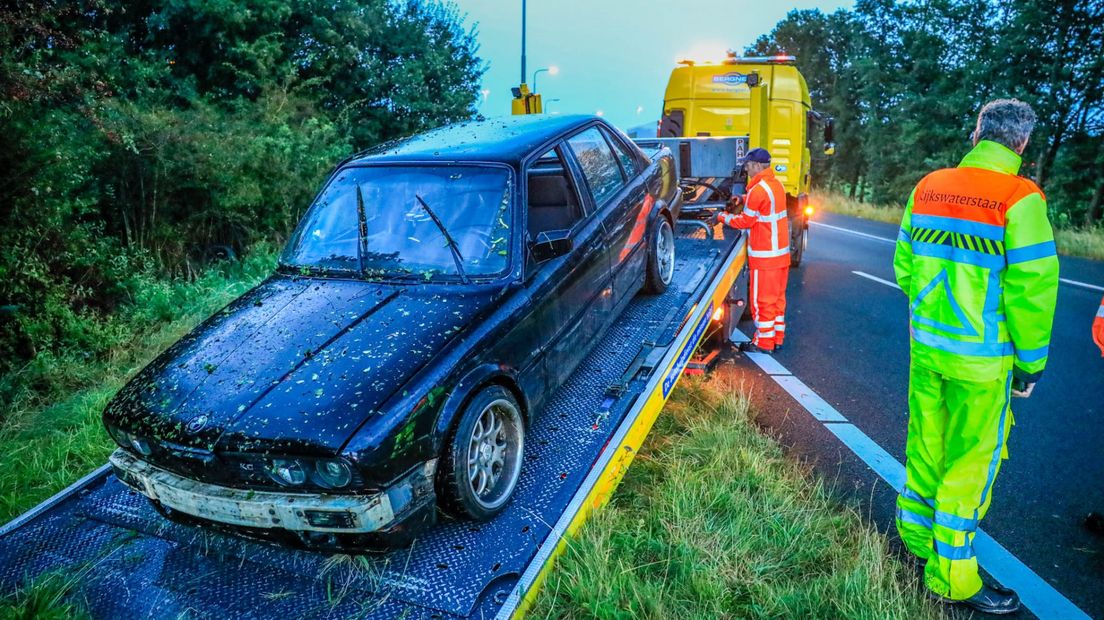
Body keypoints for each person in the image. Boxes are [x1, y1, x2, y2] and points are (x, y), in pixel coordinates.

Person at [891, 99, 1059, 614]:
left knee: (925, 445)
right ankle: (953, 579)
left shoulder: (929, 186)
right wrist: (1030, 363)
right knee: (970, 464)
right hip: (982, 363)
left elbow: (904, 266)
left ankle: (916, 541)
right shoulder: (1020, 197)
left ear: (976, 133)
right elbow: (1031, 291)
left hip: (927, 349)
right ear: (1022, 144)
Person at [714, 147, 790, 354]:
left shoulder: (758, 191)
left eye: (747, 165)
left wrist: (722, 217)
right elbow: (765, 205)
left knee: (761, 301)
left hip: (765, 257)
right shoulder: (776, 185)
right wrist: (744, 199)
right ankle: (777, 338)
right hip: (781, 256)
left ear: (757, 165)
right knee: (777, 300)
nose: (746, 168)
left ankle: (763, 343)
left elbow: (745, 221)